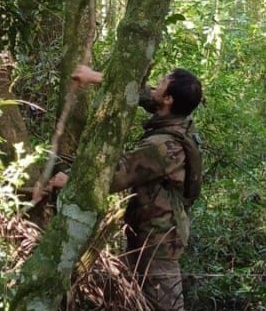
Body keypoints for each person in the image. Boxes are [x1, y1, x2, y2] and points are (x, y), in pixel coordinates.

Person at [49, 65, 203, 311]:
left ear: (168, 99)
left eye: (162, 82)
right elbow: (145, 95)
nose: (156, 84)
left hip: (159, 238)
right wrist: (94, 77)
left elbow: (119, 174)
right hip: (153, 229)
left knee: (165, 306)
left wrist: (70, 179)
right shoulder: (178, 118)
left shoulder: (163, 147)